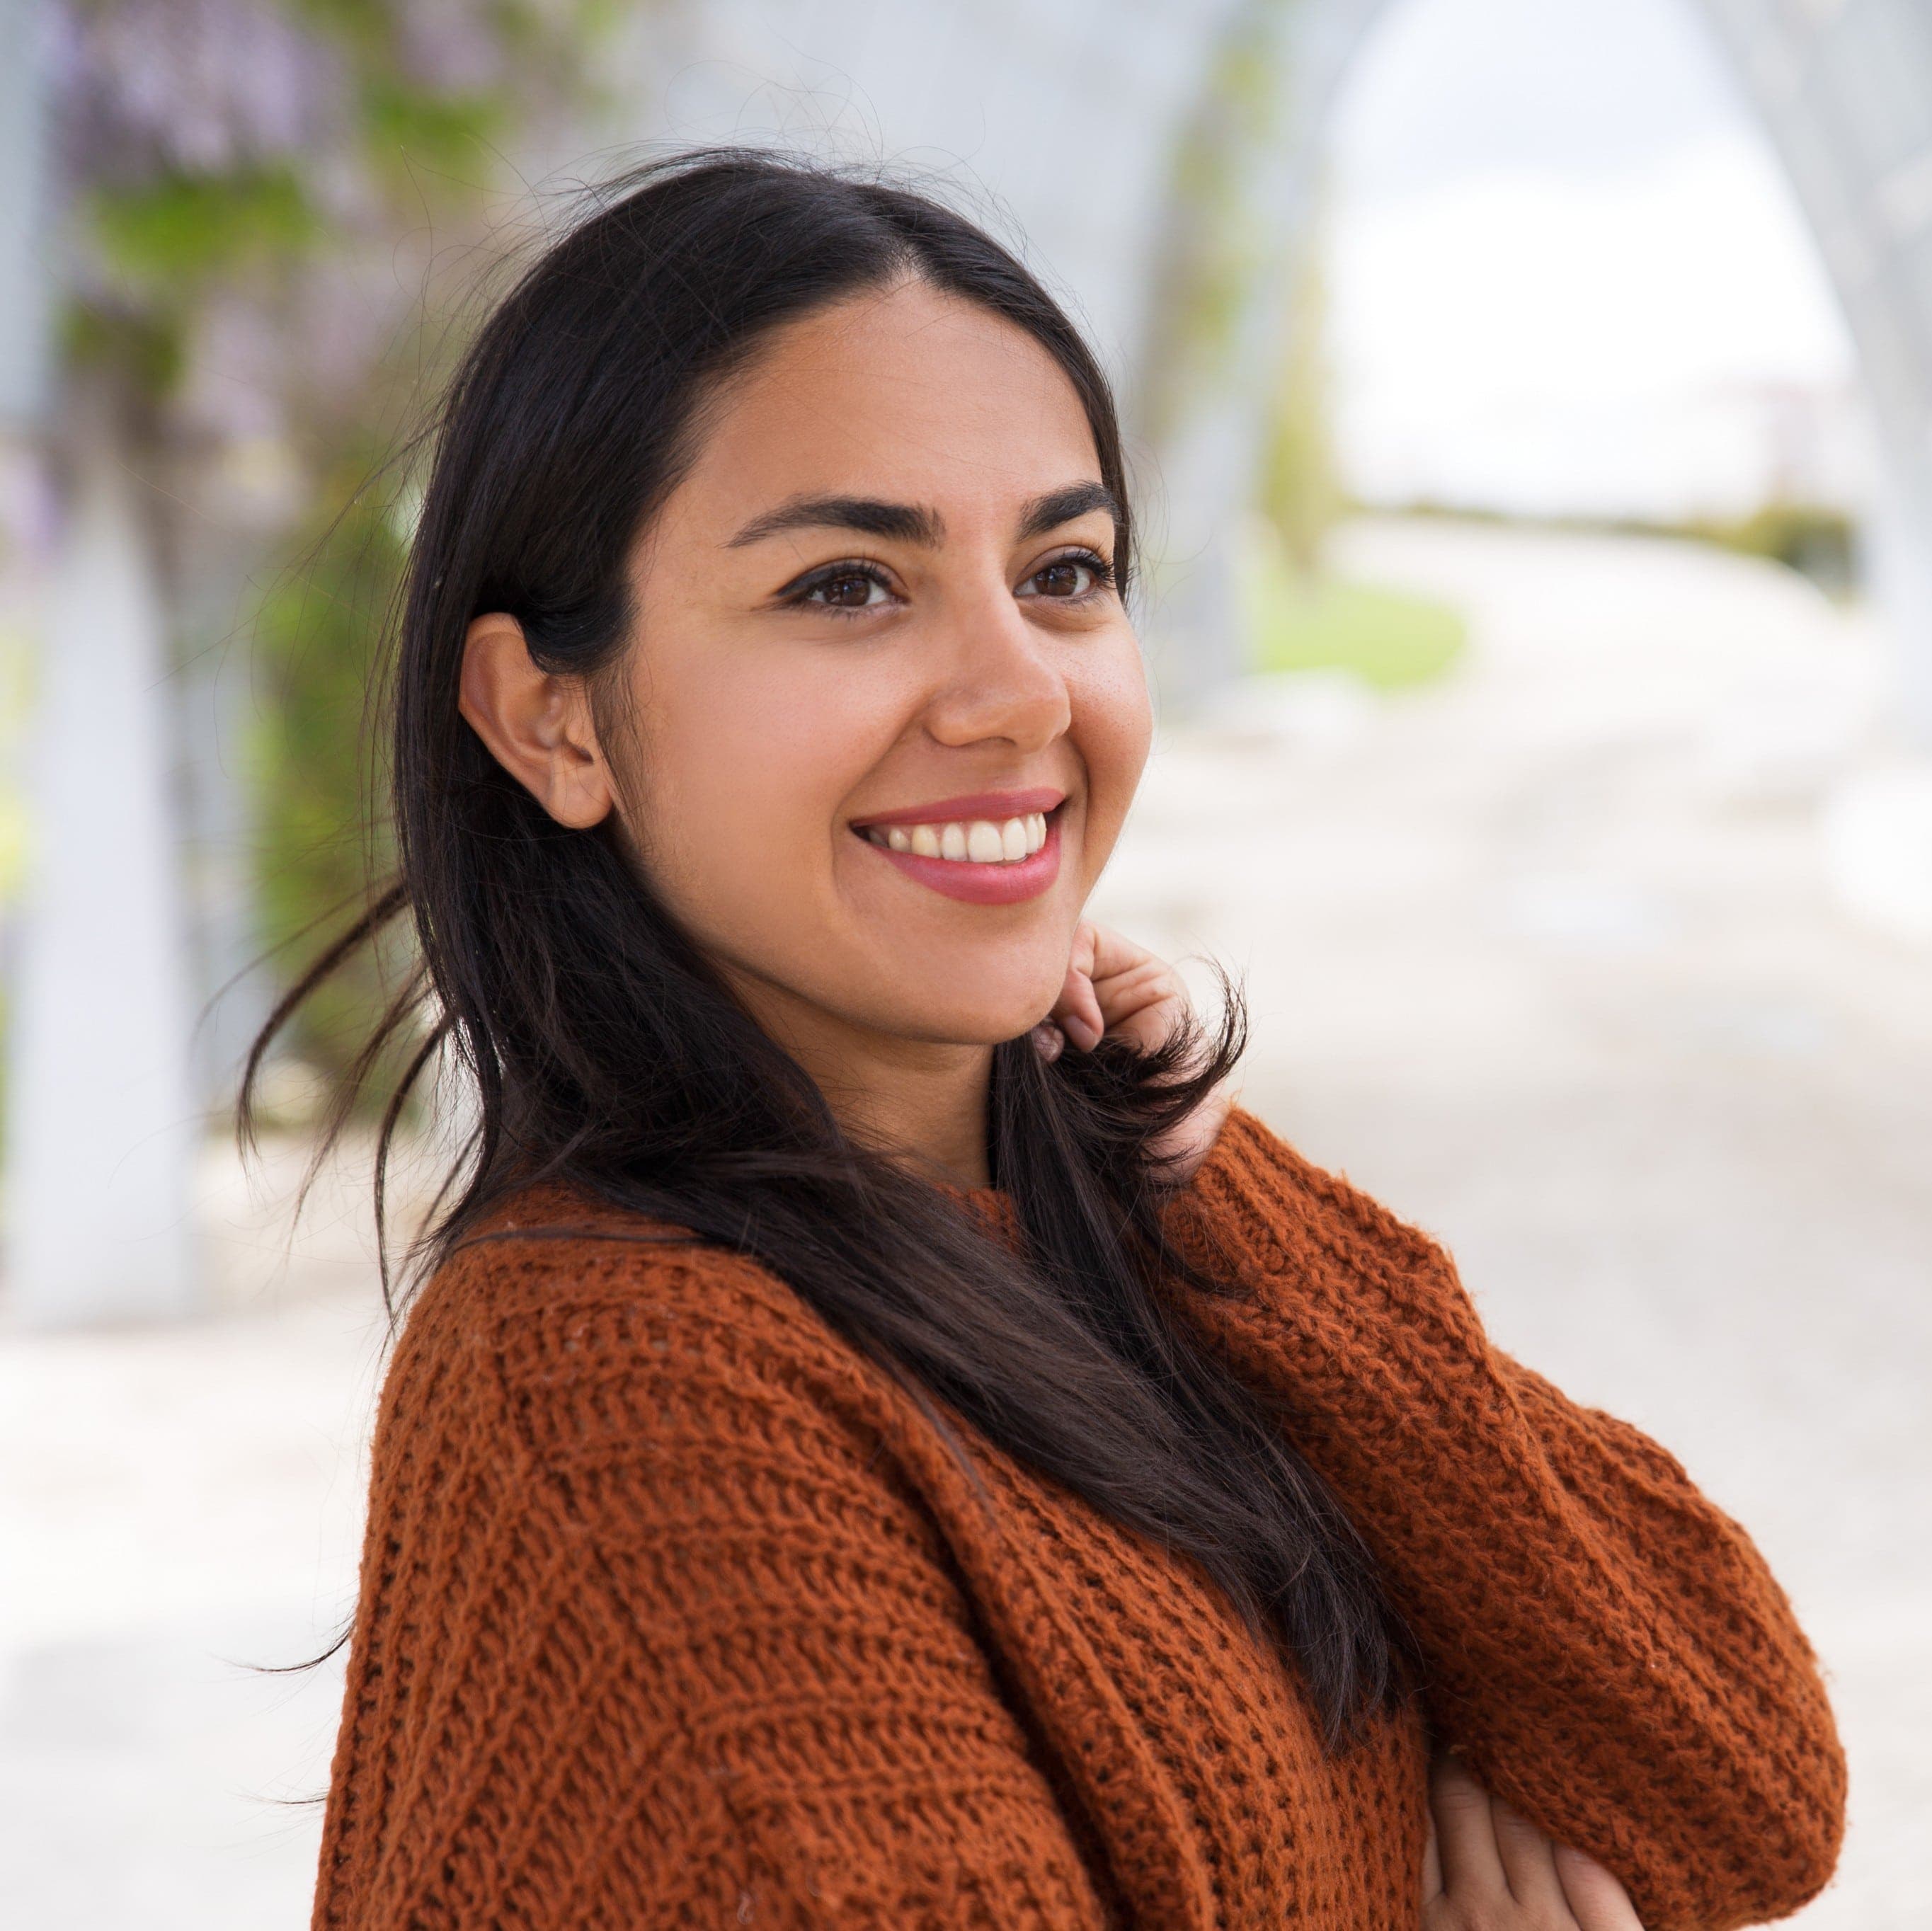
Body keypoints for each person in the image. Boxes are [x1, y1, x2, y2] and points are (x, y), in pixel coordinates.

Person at [252, 151, 1846, 1930]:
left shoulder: (1123, 1228)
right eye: (849, 584)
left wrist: (1214, 1179)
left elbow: (1736, 1782)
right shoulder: (619, 1375)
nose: (1019, 690)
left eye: (1067, 569)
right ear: (551, 720)